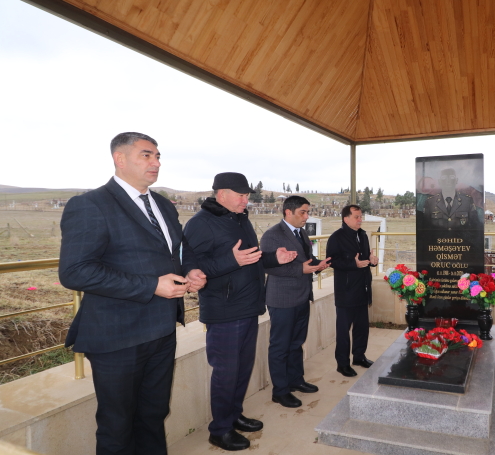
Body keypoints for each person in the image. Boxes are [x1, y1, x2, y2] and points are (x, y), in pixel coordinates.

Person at [59, 132, 206, 455]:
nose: (156, 163)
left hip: (162, 330)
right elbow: (75, 271)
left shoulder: (163, 205)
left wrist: (190, 270)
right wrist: (151, 285)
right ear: (120, 159)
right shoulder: (90, 205)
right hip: (117, 337)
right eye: (146, 155)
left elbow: (178, 250)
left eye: (158, 156)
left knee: (153, 415)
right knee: (117, 425)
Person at [183, 172, 298, 451]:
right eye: (241, 195)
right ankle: (220, 430)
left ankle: (234, 415)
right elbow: (190, 267)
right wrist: (230, 260)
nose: (246, 200)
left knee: (242, 369)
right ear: (221, 194)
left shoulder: (240, 219)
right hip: (224, 310)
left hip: (248, 306)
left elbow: (250, 259)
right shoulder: (200, 223)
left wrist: (274, 258)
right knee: (226, 372)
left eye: (247, 195)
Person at [261, 196, 331, 408]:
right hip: (282, 299)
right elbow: (267, 266)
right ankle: (280, 391)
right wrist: (301, 269)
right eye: (303, 212)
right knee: (280, 346)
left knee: (296, 342)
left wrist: (319, 264)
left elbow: (305, 260)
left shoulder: (301, 232)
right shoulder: (272, 235)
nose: (306, 216)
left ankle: (296, 380)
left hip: (302, 296)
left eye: (307, 212)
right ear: (288, 212)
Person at [326, 204, 378, 377]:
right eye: (356, 217)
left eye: (361, 216)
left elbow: (365, 259)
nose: (360, 220)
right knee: (343, 330)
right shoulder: (336, 237)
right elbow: (332, 261)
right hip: (346, 291)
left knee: (362, 328)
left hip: (363, 288)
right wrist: (352, 264)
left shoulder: (362, 235)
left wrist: (372, 260)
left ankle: (359, 356)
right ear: (346, 218)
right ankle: (342, 364)